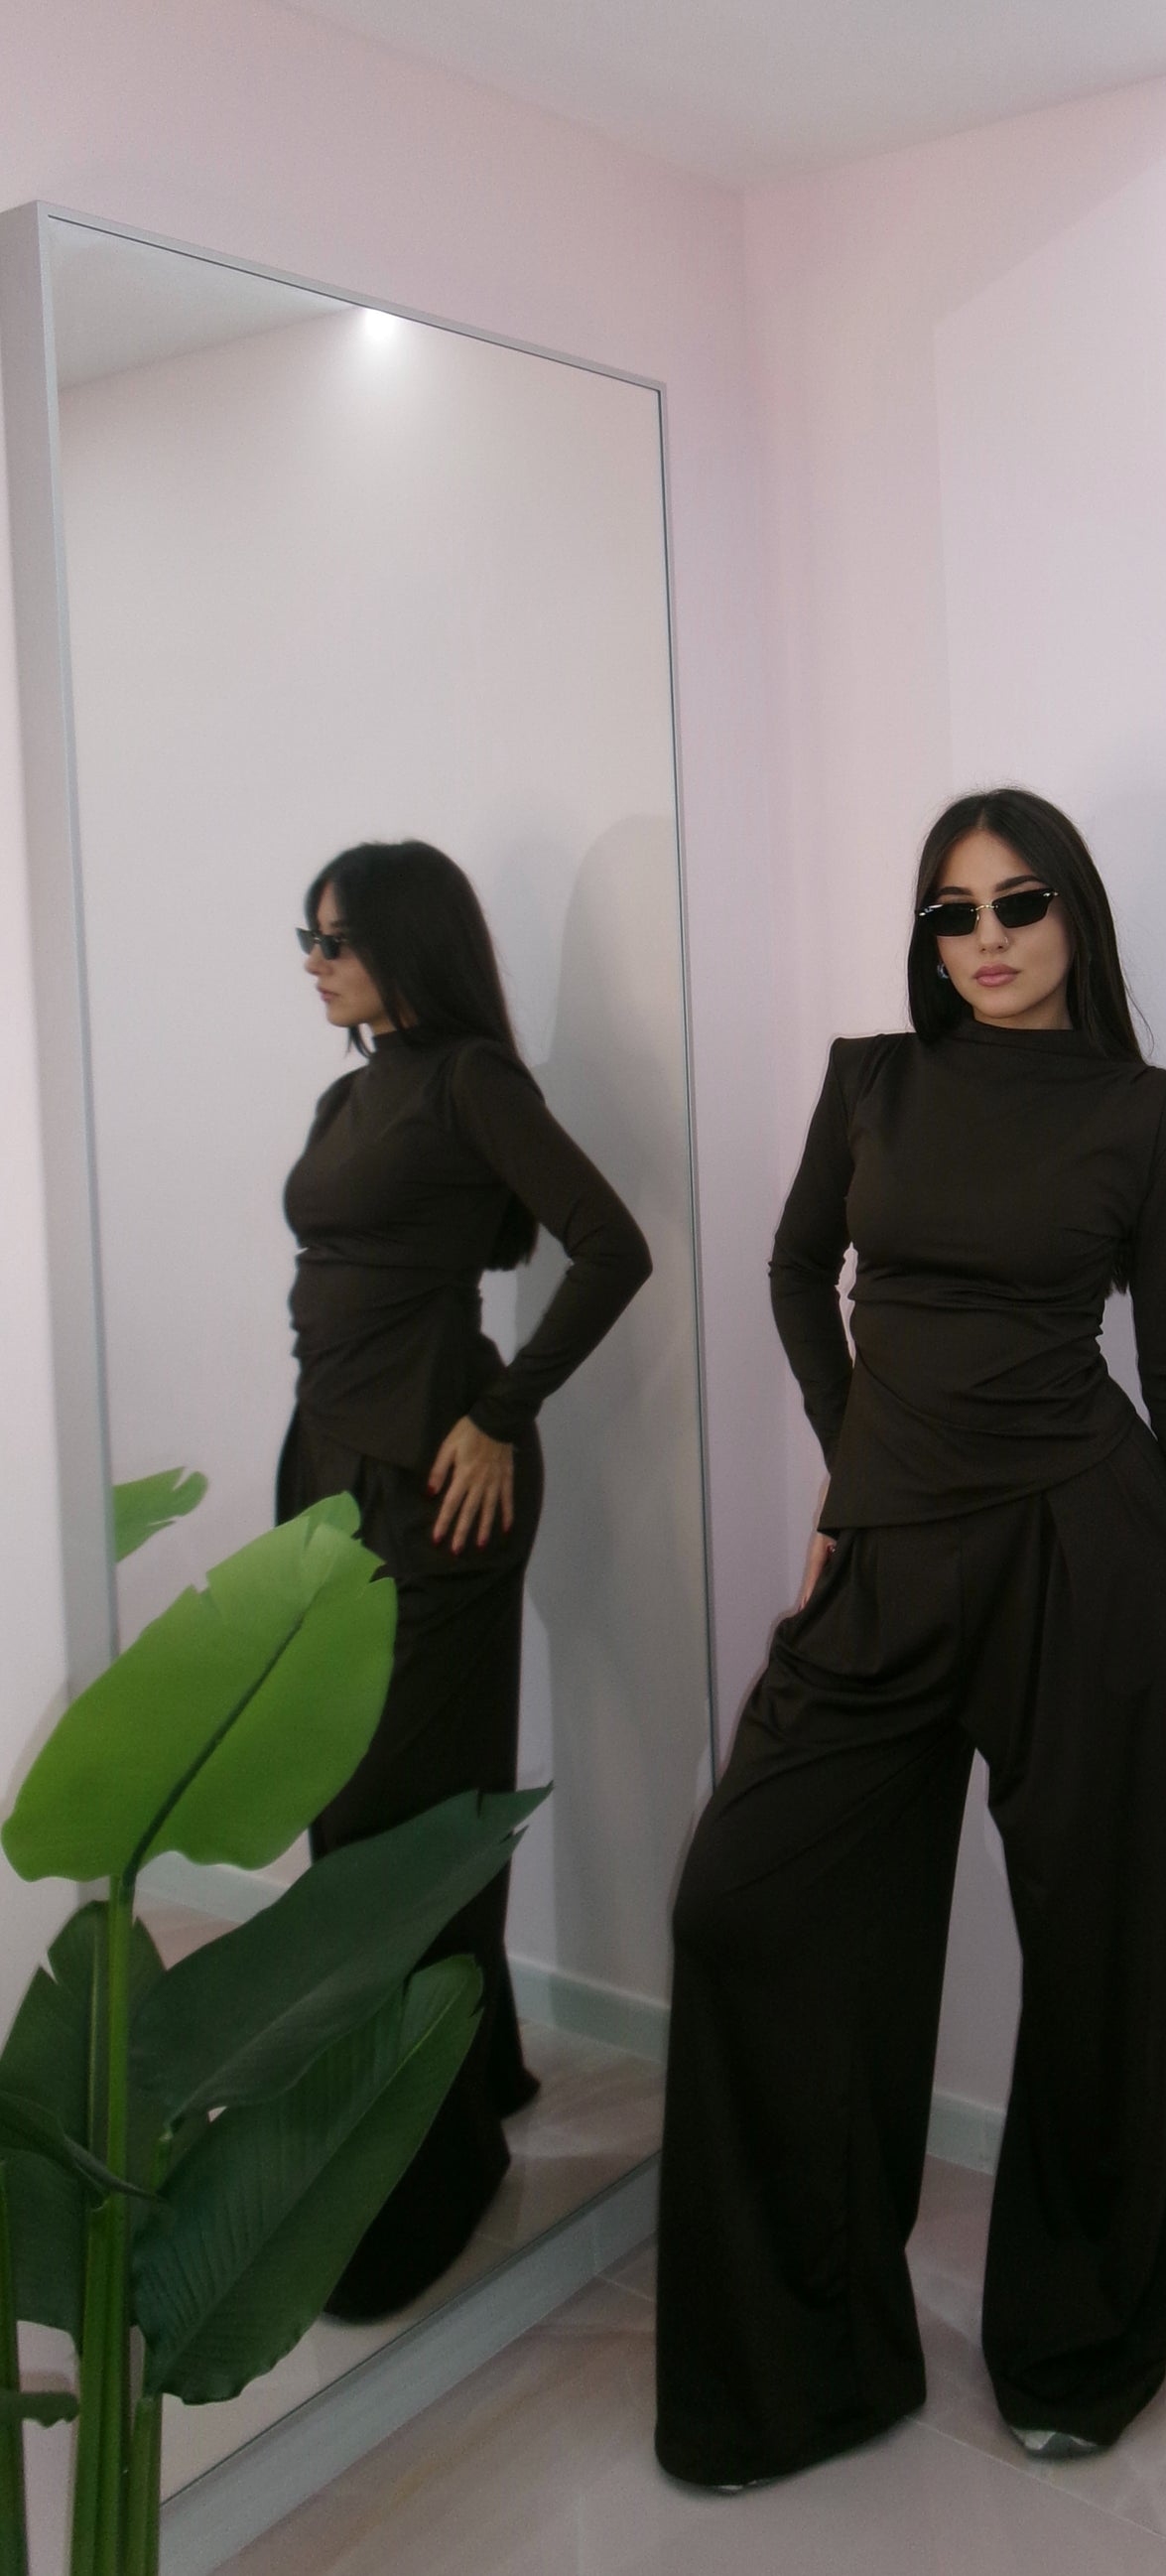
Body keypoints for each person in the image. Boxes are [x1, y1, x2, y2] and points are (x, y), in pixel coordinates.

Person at [654, 787, 1166, 2487]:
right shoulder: (873, 1082)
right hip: (892, 1562)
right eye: (953, 912)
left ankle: (1078, 2344)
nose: (985, 938)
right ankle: (804, 2367)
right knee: (744, 1904)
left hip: (1088, 1560)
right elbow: (794, 1275)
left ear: (1075, 919)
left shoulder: (1154, 1119)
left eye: (1018, 903)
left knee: (1100, 1957)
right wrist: (861, 1475)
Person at [282, 838, 651, 2318]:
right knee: (359, 1805)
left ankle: (416, 2178)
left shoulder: (469, 1082)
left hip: (440, 1489)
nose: (317, 963)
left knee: (398, 1830)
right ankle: (474, 2074)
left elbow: (611, 1246)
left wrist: (502, 1413)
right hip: (328, 1473)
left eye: (339, 939)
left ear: (407, 944)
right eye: (307, 939)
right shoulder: (350, 1094)